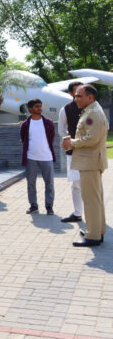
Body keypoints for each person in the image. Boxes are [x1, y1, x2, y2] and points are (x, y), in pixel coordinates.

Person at [61, 85, 108, 247]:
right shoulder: (91, 110)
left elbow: (91, 139)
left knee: (90, 200)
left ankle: (93, 236)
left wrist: (72, 142)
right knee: (95, 199)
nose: (76, 99)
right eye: (75, 96)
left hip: (90, 161)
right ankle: (96, 230)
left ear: (90, 97)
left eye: (79, 96)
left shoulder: (93, 113)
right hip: (90, 160)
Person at [20, 99, 56, 215]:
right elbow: (23, 139)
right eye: (36, 107)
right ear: (30, 109)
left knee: (49, 183)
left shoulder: (48, 122)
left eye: (40, 106)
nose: (39, 108)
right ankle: (33, 206)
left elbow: (52, 137)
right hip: (31, 157)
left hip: (47, 157)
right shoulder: (25, 124)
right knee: (31, 183)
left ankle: (49, 206)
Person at [58, 81, 84, 223]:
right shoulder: (66, 109)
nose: (81, 92)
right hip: (73, 152)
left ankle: (95, 215)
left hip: (90, 152)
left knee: (91, 185)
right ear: (71, 93)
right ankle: (78, 213)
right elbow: (61, 130)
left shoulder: (92, 107)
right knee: (76, 183)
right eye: (77, 90)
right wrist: (69, 141)